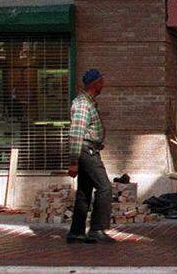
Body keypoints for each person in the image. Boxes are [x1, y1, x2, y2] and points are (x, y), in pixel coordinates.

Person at [67, 69, 114, 244]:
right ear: (95, 84)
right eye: (101, 81)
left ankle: (76, 232)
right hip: (86, 151)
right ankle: (97, 229)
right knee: (105, 188)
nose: (103, 85)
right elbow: (76, 134)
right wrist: (73, 162)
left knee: (84, 191)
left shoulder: (88, 103)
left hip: (89, 149)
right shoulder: (82, 104)